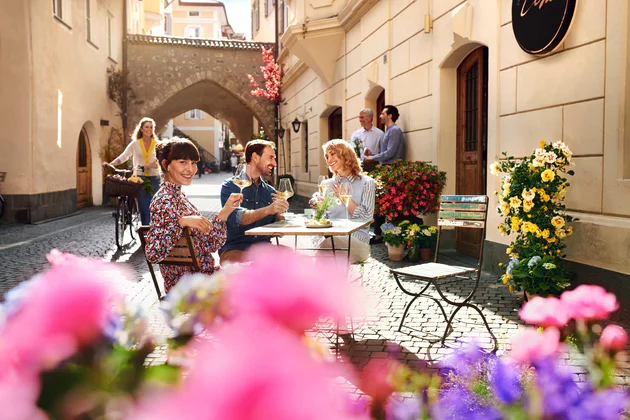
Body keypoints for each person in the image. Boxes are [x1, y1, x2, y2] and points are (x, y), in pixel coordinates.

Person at [145, 137, 241, 293]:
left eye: (193, 163)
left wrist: (225, 212)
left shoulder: (179, 198)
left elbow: (210, 244)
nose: (190, 169)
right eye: (183, 162)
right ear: (165, 165)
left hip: (201, 279)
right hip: (192, 286)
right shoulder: (163, 200)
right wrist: (181, 222)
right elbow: (153, 253)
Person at [219, 139, 289, 265]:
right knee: (261, 264)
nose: (274, 163)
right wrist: (269, 209)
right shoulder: (230, 186)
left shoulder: (270, 191)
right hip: (236, 250)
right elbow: (238, 218)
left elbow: (275, 228)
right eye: (271, 157)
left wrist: (280, 215)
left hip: (264, 250)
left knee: (301, 261)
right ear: (255, 157)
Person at [318, 139, 375, 263]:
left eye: (332, 154)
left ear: (345, 155)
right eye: (326, 156)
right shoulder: (326, 184)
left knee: (327, 248)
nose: (329, 160)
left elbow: (366, 217)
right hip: (331, 239)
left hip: (358, 241)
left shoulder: (367, 182)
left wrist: (345, 199)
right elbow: (320, 219)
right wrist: (318, 209)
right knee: (309, 247)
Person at [103, 117, 162, 225]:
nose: (149, 129)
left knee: (154, 208)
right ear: (141, 129)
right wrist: (110, 164)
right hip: (140, 179)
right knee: (144, 208)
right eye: (146, 127)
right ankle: (146, 233)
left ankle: (154, 232)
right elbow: (123, 157)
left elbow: (163, 161)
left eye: (151, 127)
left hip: (155, 178)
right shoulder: (135, 144)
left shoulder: (158, 144)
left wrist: (151, 165)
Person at [364, 105, 406, 244]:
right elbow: (387, 153)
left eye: (383, 113)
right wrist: (373, 154)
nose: (380, 115)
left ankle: (382, 235)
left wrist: (372, 158)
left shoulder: (394, 131)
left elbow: (390, 153)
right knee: (381, 204)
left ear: (390, 115)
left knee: (384, 204)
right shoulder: (388, 130)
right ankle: (379, 235)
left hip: (392, 171)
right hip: (386, 170)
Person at [349, 108, 384, 173]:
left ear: (370, 118)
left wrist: (381, 169)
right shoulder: (355, 134)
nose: (360, 120)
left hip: (374, 167)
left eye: (362, 117)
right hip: (358, 167)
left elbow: (383, 153)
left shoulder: (380, 134)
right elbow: (351, 152)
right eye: (359, 118)